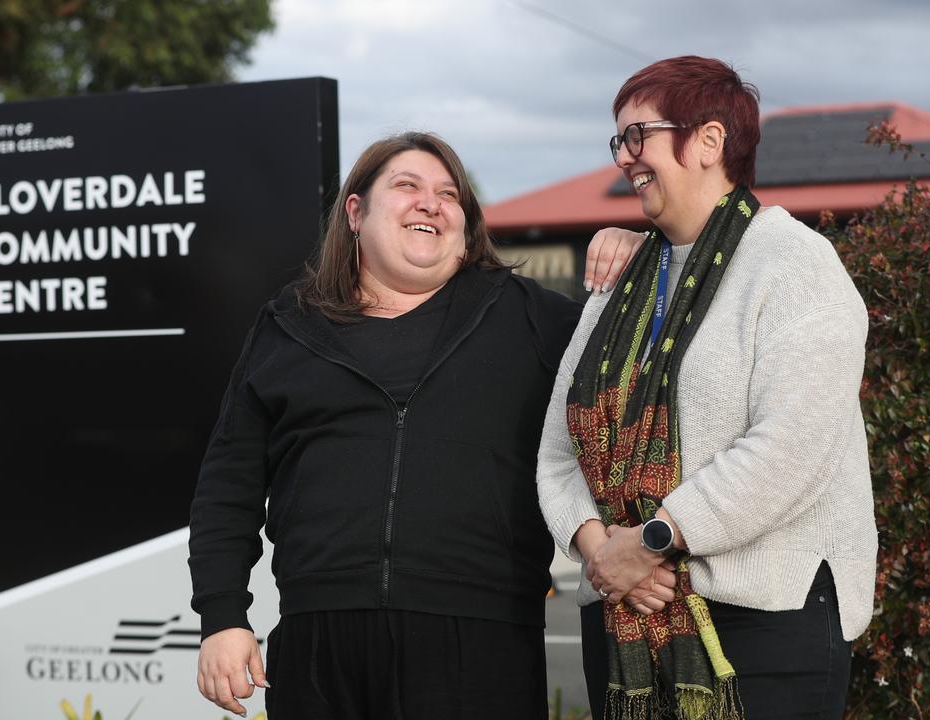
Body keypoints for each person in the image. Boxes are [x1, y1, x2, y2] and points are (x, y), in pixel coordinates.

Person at [188, 131, 656, 719]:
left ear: (465, 226)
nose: (430, 203)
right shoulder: (287, 326)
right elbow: (226, 487)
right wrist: (223, 617)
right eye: (407, 186)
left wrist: (644, 254)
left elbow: (655, 360)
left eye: (449, 194)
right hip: (317, 645)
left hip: (482, 645)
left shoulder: (534, 319)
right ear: (355, 213)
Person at [537, 56, 877, 720]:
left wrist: (653, 540)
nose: (624, 158)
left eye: (640, 136)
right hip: (623, 616)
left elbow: (790, 449)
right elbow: (556, 452)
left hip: (765, 626)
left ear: (710, 141)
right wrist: (603, 553)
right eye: (619, 141)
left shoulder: (796, 265)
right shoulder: (621, 285)